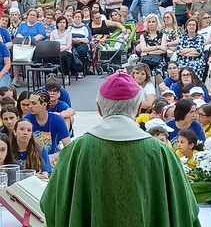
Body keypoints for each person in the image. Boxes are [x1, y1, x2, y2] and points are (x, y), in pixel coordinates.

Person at [40, 71, 201, 227]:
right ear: (139, 109)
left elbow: (52, 205)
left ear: (100, 109)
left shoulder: (76, 151)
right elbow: (185, 210)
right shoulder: (162, 153)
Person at [24, 89, 71, 165]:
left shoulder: (57, 120)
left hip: (52, 157)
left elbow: (69, 147)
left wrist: (54, 157)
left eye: (33, 103)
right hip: (31, 158)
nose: (30, 106)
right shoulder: (26, 120)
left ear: (44, 105)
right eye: (29, 103)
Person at [140, 14, 167, 85]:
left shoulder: (163, 35)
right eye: (149, 22)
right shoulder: (143, 36)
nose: (151, 24)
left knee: (158, 71)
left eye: (153, 22)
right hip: (147, 60)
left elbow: (163, 50)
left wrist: (148, 51)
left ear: (157, 23)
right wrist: (158, 47)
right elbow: (143, 49)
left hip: (159, 60)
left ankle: (161, 92)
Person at [50, 15, 72, 85]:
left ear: (66, 24)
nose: (62, 24)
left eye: (64, 22)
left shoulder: (68, 33)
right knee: (48, 56)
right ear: (57, 24)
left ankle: (66, 75)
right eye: (60, 22)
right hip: (55, 50)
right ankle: (53, 74)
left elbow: (68, 46)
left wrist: (61, 49)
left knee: (63, 55)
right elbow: (52, 44)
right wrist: (57, 49)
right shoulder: (53, 33)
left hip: (66, 51)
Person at [70, 10, 91, 78]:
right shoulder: (70, 27)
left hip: (82, 44)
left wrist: (79, 40)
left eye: (79, 17)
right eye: (75, 17)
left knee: (80, 51)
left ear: (81, 18)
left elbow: (88, 39)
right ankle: (71, 69)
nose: (77, 18)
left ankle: (80, 70)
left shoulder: (85, 27)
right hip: (71, 44)